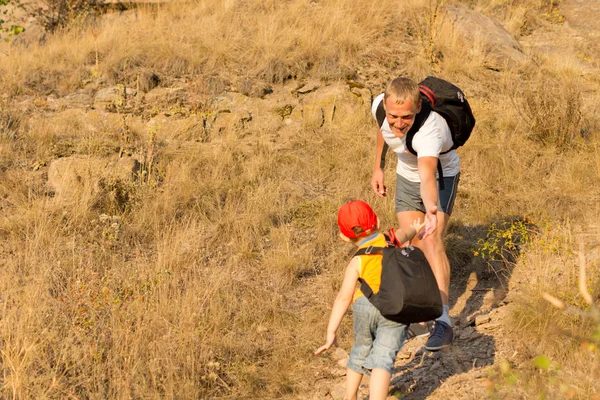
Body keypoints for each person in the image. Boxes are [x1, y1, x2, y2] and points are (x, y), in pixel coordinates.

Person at [370, 77, 459, 351]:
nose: (398, 123)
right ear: (385, 104)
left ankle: (443, 321)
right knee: (410, 245)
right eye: (394, 115)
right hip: (406, 176)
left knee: (430, 241)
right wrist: (378, 167)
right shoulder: (380, 108)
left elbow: (427, 175)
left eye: (406, 117)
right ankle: (420, 319)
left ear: (418, 107)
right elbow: (382, 131)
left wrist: (430, 209)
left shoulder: (429, 131)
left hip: (439, 177)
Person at [315, 200, 423, 400]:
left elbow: (344, 297)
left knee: (360, 351)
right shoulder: (391, 239)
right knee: (383, 359)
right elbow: (406, 232)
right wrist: (415, 228)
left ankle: (350, 396)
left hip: (364, 305)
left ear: (344, 237)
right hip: (395, 306)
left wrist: (331, 331)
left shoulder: (357, 260)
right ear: (378, 221)